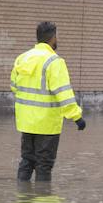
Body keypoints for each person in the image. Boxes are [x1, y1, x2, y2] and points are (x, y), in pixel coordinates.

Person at [11, 21, 85, 181]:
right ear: (52, 38)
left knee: (27, 161)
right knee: (44, 165)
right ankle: (42, 202)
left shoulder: (22, 58)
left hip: (26, 122)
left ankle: (22, 199)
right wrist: (77, 117)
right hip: (46, 125)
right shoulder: (54, 62)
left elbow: (14, 87)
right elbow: (63, 93)